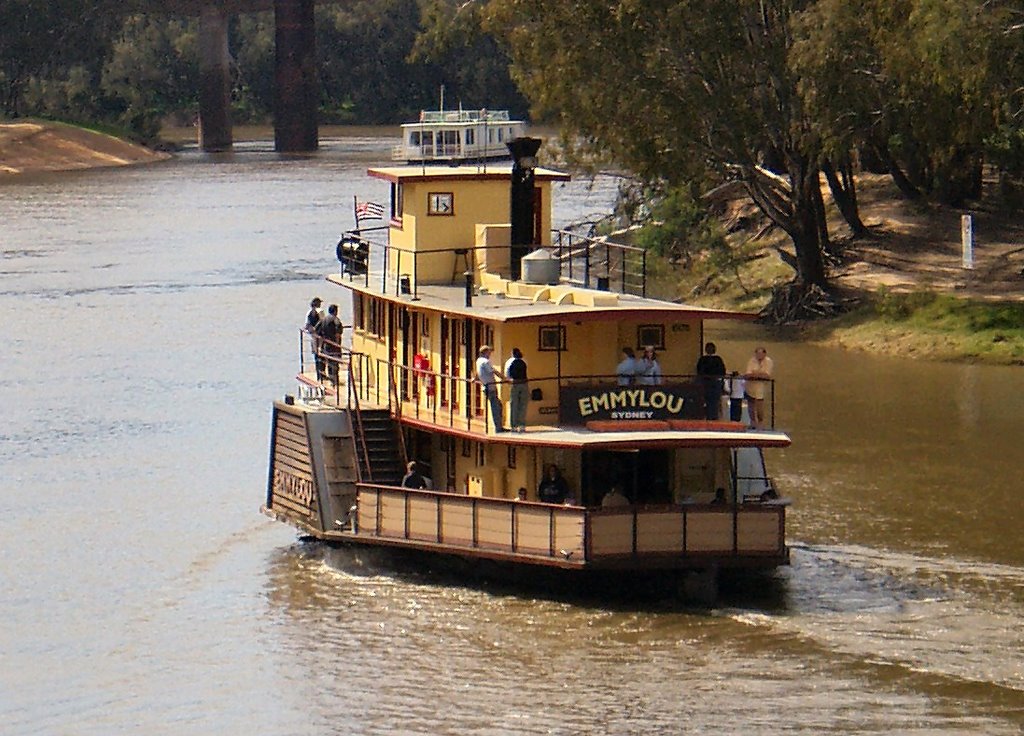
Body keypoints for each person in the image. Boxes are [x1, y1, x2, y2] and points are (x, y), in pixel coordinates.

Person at [475, 345, 505, 432]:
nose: (490, 354)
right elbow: (493, 371)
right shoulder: (485, 361)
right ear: (485, 352)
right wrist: (505, 378)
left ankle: (499, 426)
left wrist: (476, 378)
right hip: (490, 387)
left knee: (498, 405)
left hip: (486, 386)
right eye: (489, 352)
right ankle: (498, 428)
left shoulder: (478, 361)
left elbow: (479, 372)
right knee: (495, 407)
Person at [744, 346, 774, 428]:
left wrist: (755, 374)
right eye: (757, 354)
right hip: (750, 386)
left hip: (761, 387)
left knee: (760, 406)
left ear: (764, 354)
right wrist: (758, 374)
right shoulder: (752, 361)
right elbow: (748, 374)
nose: (759, 356)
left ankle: (760, 423)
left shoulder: (768, 361)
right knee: (751, 405)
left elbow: (767, 375)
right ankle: (753, 423)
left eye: (761, 354)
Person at [695, 341, 726, 420]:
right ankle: (712, 418)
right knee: (713, 403)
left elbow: (699, 371)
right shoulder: (717, 360)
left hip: (708, 384)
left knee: (710, 402)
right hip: (712, 384)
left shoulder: (703, 359)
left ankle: (710, 418)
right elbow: (722, 372)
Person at [503, 347, 529, 432]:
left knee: (514, 404)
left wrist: (508, 381)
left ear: (512, 353)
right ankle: (522, 425)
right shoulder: (524, 361)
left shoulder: (509, 362)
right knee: (523, 405)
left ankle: (513, 425)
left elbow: (506, 373)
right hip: (524, 383)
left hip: (514, 384)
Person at [316, 304, 343, 382]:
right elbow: (338, 332)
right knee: (335, 362)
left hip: (326, 343)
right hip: (334, 344)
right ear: (335, 311)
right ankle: (335, 380)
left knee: (329, 361)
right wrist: (338, 345)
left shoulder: (323, 320)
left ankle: (330, 378)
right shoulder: (335, 319)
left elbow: (317, 331)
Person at [304, 297, 324, 379]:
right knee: (322, 353)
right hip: (320, 336)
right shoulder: (320, 311)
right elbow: (323, 322)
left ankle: (318, 372)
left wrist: (312, 330)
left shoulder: (309, 312)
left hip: (313, 335)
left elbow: (306, 325)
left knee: (316, 354)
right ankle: (322, 373)